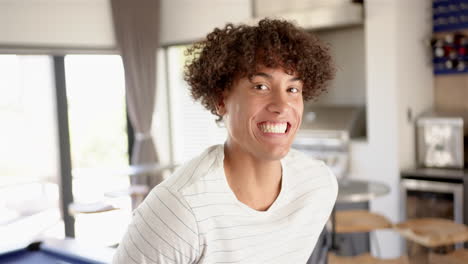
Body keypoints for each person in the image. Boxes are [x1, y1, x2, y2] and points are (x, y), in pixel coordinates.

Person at [113, 18, 337, 264]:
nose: (282, 106)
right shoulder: (180, 209)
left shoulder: (318, 186)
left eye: (292, 90)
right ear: (221, 100)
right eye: (260, 86)